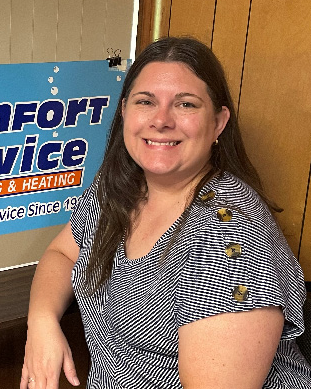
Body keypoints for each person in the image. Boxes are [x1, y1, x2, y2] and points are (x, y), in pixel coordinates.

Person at [20, 36, 311, 388]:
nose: (161, 120)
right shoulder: (121, 185)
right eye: (146, 101)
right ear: (125, 110)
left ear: (218, 123)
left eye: (185, 105)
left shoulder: (228, 237)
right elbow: (63, 252)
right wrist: (41, 321)